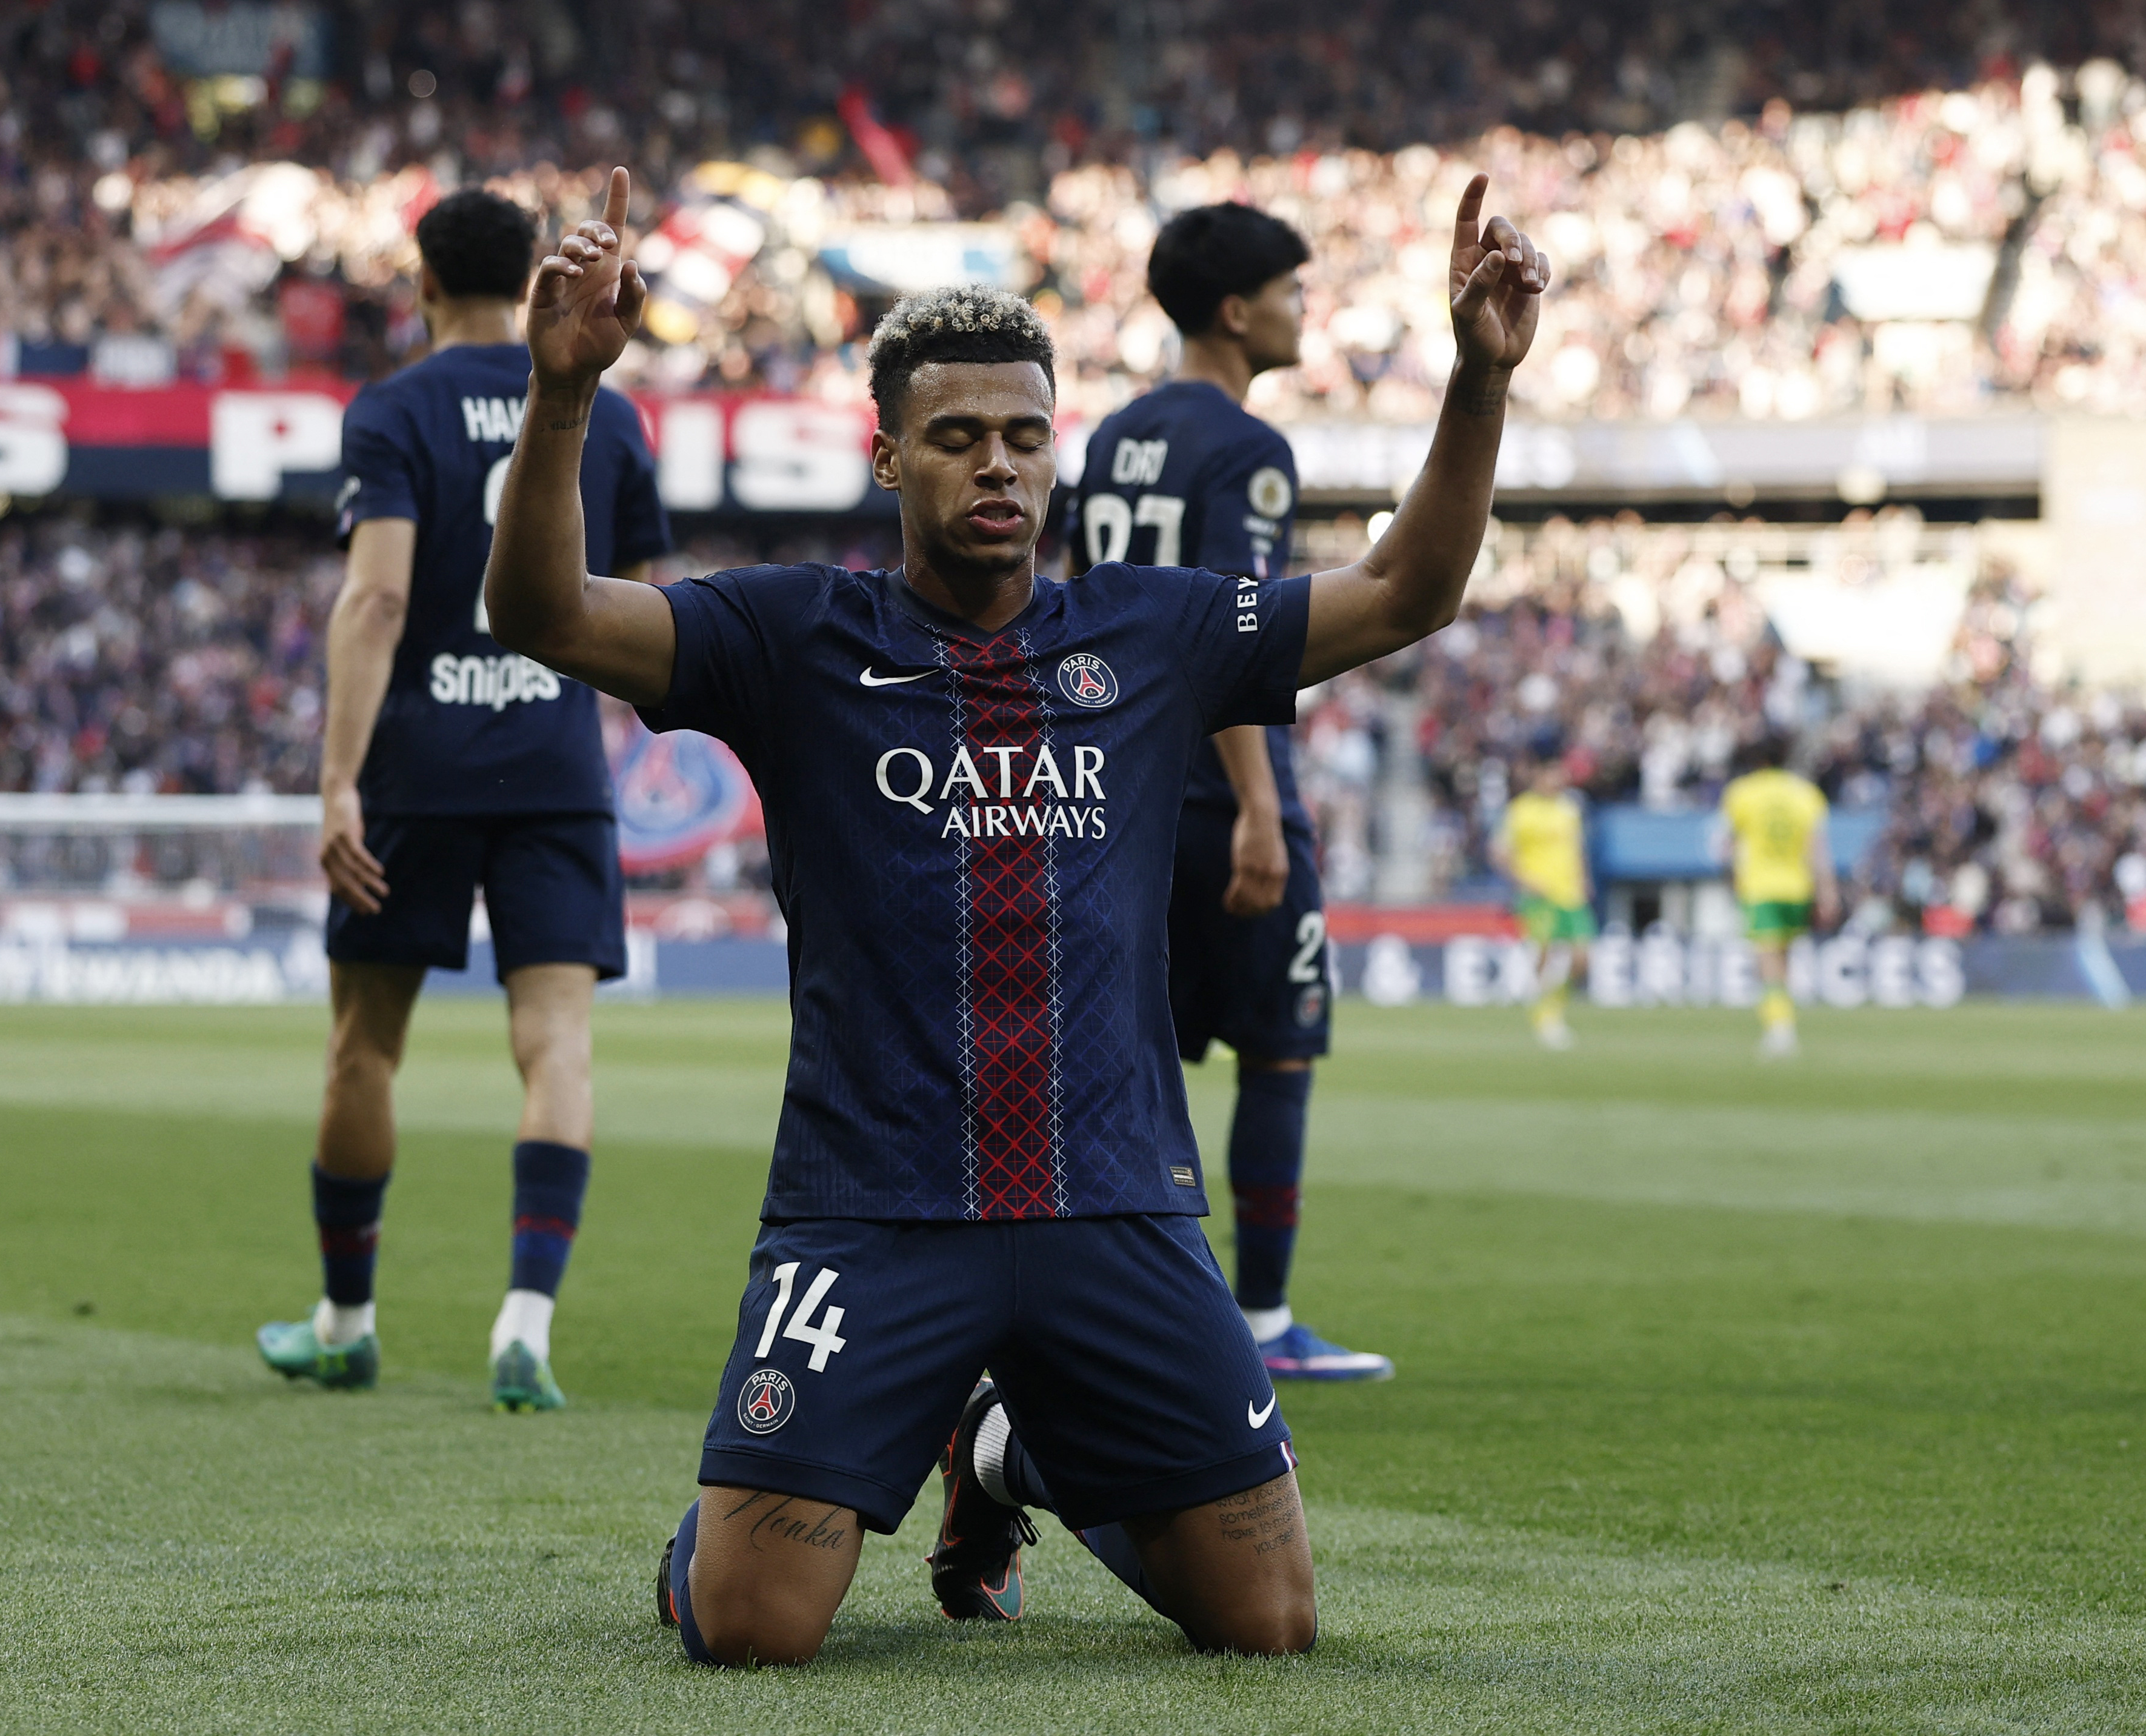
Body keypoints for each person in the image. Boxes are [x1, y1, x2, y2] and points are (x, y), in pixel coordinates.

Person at [485, 167, 1544, 1664]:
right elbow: (544, 616)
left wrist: (1478, 381)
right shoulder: (789, 636)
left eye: (1024, 437)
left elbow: (1406, 587)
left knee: (1269, 1621)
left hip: (1113, 1199)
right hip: (873, 1207)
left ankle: (1002, 1452)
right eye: (957, 438)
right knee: (752, 1627)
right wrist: (562, 401)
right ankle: (803, 1484)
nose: (997, 466)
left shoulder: (1153, 631)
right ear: (885, 457)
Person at [255, 188, 671, 1407]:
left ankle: (345, 1318)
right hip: (554, 767)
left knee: (362, 1049)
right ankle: (526, 1326)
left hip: (418, 768)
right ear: (528, 276)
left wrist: (336, 780)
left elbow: (376, 600)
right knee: (556, 1045)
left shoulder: (392, 410)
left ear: (422, 283)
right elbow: (635, 597)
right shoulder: (615, 411)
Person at [1068, 202, 1387, 1383]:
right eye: (1295, 291)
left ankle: (1139, 1313)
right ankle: (1255, 1326)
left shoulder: (1110, 437)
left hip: (1115, 787)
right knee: (1277, 1046)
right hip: (1218, 783)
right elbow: (1233, 627)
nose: (1307, 310)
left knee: (1132, 1049)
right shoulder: (1248, 449)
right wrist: (1259, 803)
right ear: (1237, 309)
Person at [1714, 733, 1836, 1057]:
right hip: (1798, 886)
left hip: (1760, 886)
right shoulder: (1805, 794)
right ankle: (1783, 1021)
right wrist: (1828, 892)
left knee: (1767, 957)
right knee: (1785, 958)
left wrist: (1731, 877)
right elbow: (1818, 849)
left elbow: (1724, 845)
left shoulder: (1741, 793)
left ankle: (1779, 1027)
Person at [1491, 757, 1594, 1049]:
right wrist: (1523, 880)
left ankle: (1551, 1007)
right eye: (1552, 775)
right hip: (1539, 895)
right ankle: (1545, 1016)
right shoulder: (1520, 811)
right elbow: (1499, 852)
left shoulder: (1569, 809)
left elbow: (1577, 848)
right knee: (1545, 952)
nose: (1557, 781)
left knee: (1582, 959)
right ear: (1538, 776)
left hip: (1571, 894)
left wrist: (1584, 878)